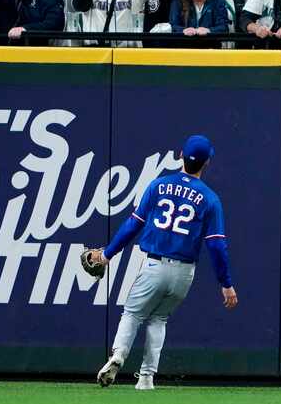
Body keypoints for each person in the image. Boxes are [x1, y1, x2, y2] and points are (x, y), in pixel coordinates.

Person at [93, 135, 237, 390]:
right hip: (184, 273)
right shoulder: (210, 199)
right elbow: (216, 245)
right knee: (159, 319)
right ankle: (147, 377)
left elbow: (133, 225)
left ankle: (118, 355)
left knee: (133, 313)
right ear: (207, 163)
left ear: (180, 155)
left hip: (154, 265)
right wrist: (226, 284)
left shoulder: (158, 185)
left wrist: (107, 255)